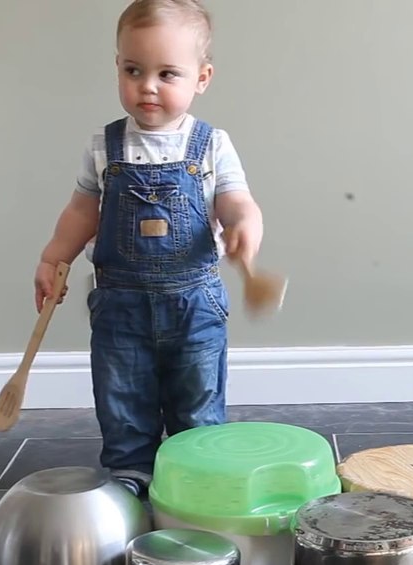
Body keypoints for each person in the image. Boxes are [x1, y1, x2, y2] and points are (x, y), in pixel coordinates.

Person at [33, 0, 263, 495]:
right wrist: (55, 257)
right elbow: (81, 211)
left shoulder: (211, 144)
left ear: (201, 78)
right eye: (133, 70)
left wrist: (243, 224)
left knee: (197, 398)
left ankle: (197, 478)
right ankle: (130, 476)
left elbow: (235, 199)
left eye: (167, 73)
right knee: (122, 396)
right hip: (120, 306)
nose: (148, 86)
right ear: (117, 66)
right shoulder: (104, 146)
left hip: (194, 305)